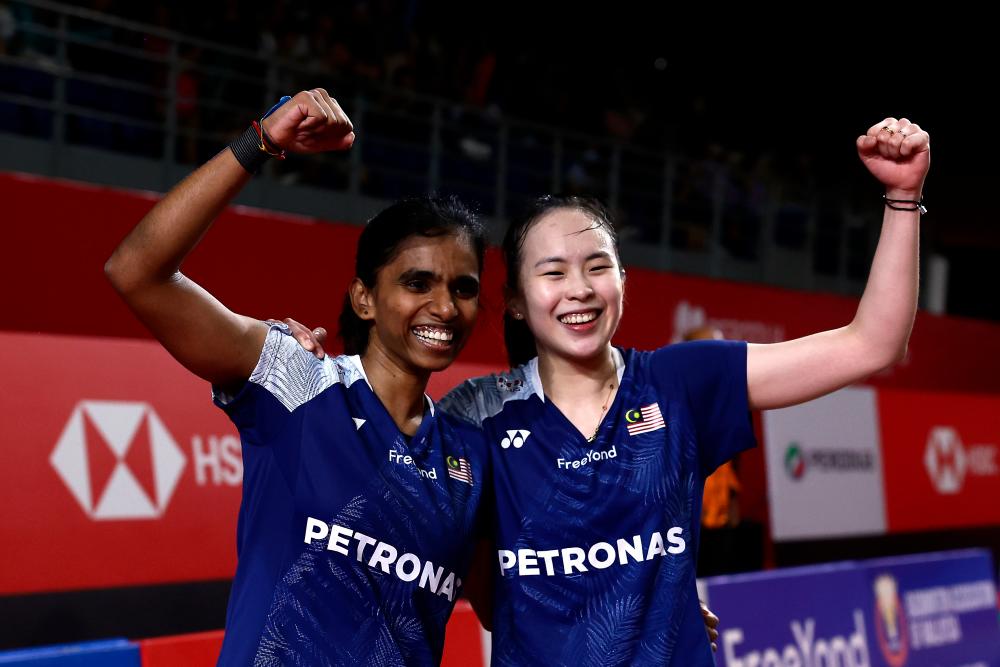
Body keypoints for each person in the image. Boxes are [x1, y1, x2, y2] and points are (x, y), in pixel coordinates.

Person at [286, 116, 928, 664]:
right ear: (513, 301)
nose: (580, 290)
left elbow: (873, 342)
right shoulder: (474, 417)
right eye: (553, 272)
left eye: (598, 267)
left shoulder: (682, 383)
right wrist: (312, 369)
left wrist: (903, 198)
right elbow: (410, 518)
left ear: (624, 281)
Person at [105, 88, 492, 666]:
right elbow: (136, 272)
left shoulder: (470, 456)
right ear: (364, 298)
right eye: (417, 283)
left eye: (463, 288)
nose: (444, 306)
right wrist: (259, 143)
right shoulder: (297, 380)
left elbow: (508, 609)